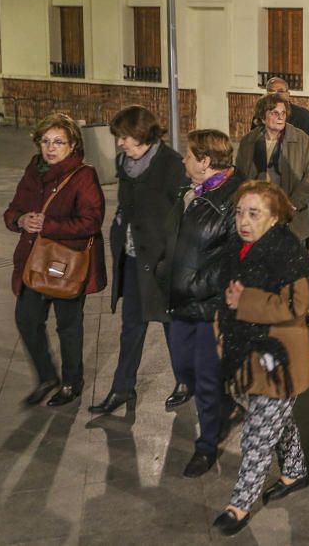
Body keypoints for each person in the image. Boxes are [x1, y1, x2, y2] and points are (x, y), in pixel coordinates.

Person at [211, 181, 309, 536]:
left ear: (274, 218)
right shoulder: (235, 248)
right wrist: (222, 329)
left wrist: (246, 302)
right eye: (240, 212)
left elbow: (297, 306)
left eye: (254, 213)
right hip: (246, 353)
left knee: (256, 434)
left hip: (278, 358)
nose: (244, 220)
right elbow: (225, 295)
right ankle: (296, 470)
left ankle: (239, 505)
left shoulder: (288, 252)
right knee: (276, 419)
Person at [90, 106, 188, 416]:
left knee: (172, 325)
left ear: (142, 135)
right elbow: (126, 204)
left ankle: (186, 381)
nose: (119, 143)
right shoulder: (124, 162)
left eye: (123, 137)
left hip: (162, 262)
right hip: (132, 259)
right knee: (131, 327)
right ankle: (122, 388)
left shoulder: (172, 164)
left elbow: (183, 215)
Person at [4, 113, 107, 407]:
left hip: (66, 263)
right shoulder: (33, 170)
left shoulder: (83, 175)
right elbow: (13, 209)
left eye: (58, 142)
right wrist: (21, 219)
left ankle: (72, 382)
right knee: (27, 319)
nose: (50, 148)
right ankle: (47, 376)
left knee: (68, 325)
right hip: (33, 262)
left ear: (72, 144)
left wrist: (47, 225)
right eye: (46, 141)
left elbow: (91, 221)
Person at [159, 129, 244, 477]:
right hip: (180, 299)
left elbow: (237, 258)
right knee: (185, 368)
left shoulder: (235, 200)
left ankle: (207, 445)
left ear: (206, 161)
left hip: (211, 305)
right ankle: (228, 405)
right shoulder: (190, 193)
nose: (183, 160)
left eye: (189, 155)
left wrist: (198, 282)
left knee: (206, 376)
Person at [235, 93, 309, 244]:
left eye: (283, 113)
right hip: (258, 217)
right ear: (263, 116)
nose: (281, 117)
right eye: (275, 113)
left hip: (291, 218)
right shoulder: (249, 141)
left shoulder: (301, 139)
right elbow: (240, 176)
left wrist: (294, 202)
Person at [263, 77, 309, 165]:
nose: (275, 95)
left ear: (288, 94)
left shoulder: (304, 117)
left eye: (280, 91)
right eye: (271, 91)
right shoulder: (260, 117)